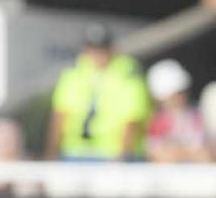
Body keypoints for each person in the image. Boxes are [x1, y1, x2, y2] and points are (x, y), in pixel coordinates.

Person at [46, 25, 151, 161]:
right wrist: (51, 154)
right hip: (75, 153)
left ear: (111, 50)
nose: (97, 55)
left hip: (111, 154)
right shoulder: (74, 73)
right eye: (93, 49)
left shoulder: (127, 75)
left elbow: (131, 120)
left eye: (102, 49)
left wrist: (122, 157)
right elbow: (60, 116)